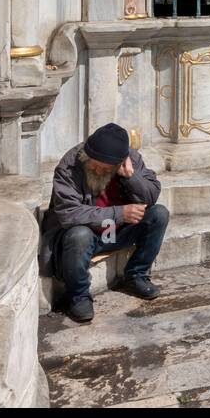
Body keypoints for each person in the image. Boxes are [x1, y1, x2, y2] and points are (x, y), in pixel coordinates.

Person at [40, 123, 169, 323]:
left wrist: (132, 178)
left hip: (115, 232)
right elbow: (68, 213)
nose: (98, 170)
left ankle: (137, 275)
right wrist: (119, 213)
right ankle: (78, 295)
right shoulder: (70, 165)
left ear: (119, 164)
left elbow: (152, 195)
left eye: (105, 168)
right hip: (85, 236)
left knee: (158, 214)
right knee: (79, 235)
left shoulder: (131, 160)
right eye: (94, 164)